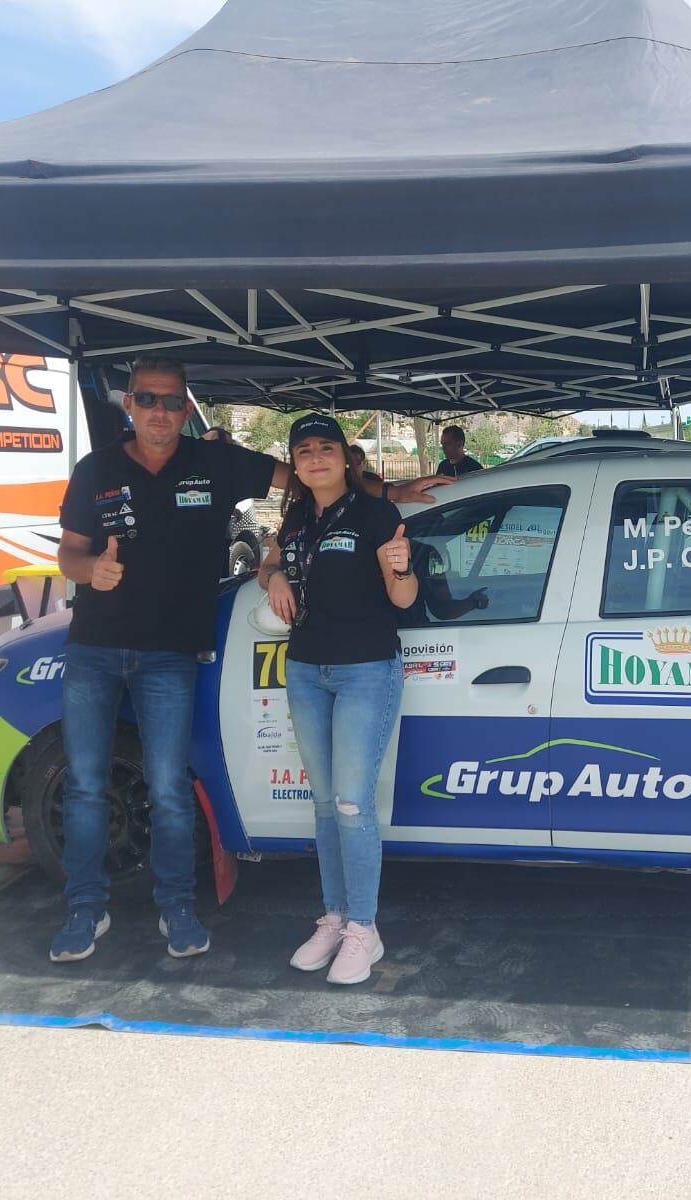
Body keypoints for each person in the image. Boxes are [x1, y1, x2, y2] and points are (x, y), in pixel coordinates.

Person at [51, 359, 445, 965]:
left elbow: (308, 480)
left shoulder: (220, 463)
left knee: (174, 790)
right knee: (82, 787)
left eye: (172, 401)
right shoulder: (97, 470)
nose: (160, 411)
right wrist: (90, 571)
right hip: (98, 646)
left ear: (187, 409)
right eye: (148, 399)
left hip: (174, 654)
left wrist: (392, 497)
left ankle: (181, 907)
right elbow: (71, 554)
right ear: (129, 403)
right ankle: (84, 908)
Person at [259, 413, 418, 985]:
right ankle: (334, 917)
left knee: (352, 804)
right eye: (304, 450)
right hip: (305, 670)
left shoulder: (377, 513)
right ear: (296, 465)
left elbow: (402, 599)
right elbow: (272, 559)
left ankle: (365, 930)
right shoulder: (298, 515)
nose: (316, 457)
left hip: (364, 671)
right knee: (324, 805)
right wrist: (273, 576)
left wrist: (399, 569)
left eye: (327, 447)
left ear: (346, 458)